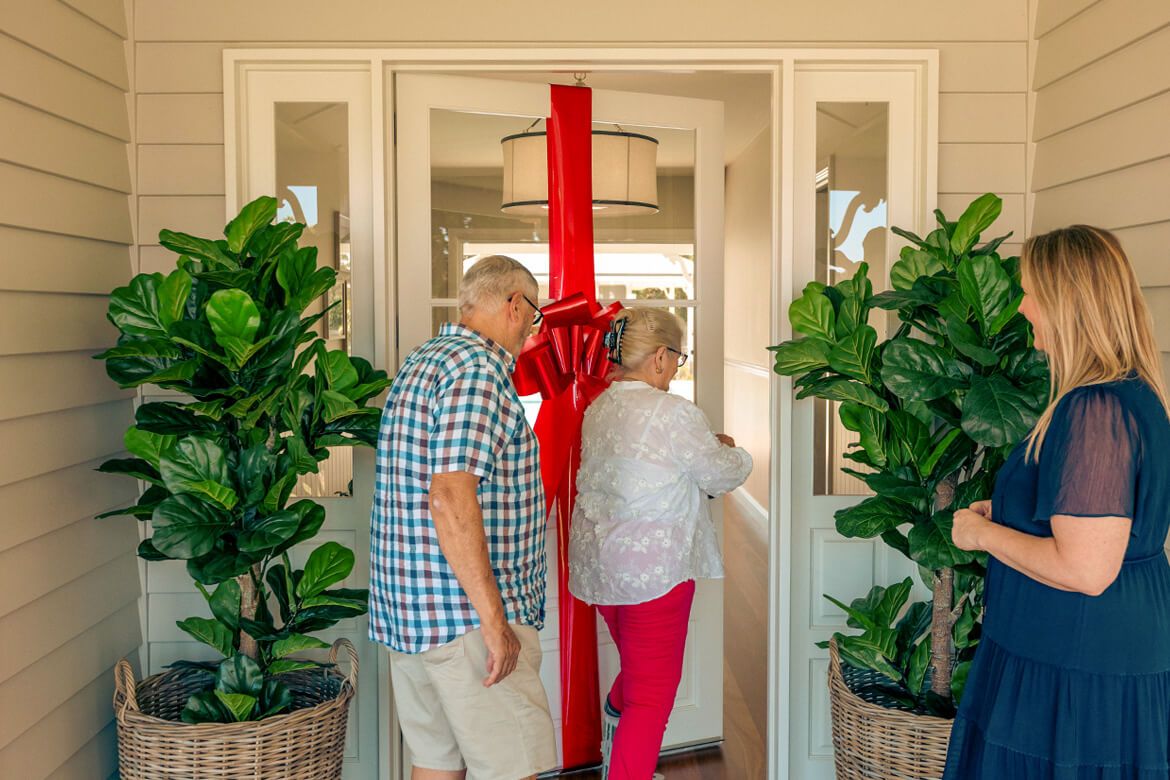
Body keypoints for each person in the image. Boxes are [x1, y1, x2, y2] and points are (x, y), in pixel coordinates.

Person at [945, 226, 1170, 777]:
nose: (1022, 308)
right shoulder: (1131, 392)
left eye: (1031, 293)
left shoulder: (1095, 409)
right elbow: (1105, 522)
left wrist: (980, 535)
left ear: (1068, 302)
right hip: (1079, 645)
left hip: (1075, 655)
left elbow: (1087, 568)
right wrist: (1015, 517)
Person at [370, 255, 556, 780]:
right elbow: (450, 495)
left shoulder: (425, 360)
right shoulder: (478, 372)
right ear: (515, 305)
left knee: (435, 762)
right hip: (466, 618)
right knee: (514, 765)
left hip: (411, 612)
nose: (531, 331)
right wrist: (495, 623)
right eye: (534, 316)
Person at [568, 307, 753, 780]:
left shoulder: (599, 407)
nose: (676, 368)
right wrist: (735, 450)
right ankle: (626, 769)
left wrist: (703, 448)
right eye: (678, 358)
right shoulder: (672, 412)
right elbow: (719, 472)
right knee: (652, 701)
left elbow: (646, 468)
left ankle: (616, 741)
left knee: (636, 671)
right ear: (658, 357)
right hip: (654, 574)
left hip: (602, 571)